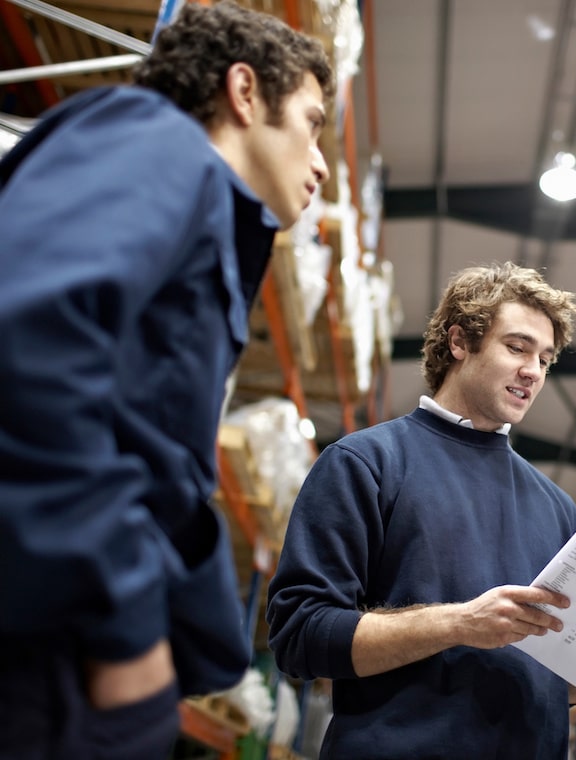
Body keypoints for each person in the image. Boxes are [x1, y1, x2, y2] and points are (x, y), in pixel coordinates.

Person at [0, 3, 334, 757]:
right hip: (56, 643)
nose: (318, 163)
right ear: (244, 93)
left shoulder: (201, 214)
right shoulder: (156, 144)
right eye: (312, 125)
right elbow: (30, 348)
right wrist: (125, 631)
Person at [267, 261, 576, 759]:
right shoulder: (366, 463)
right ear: (459, 342)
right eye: (517, 347)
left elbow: (553, 690)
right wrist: (460, 623)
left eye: (545, 358)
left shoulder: (556, 506)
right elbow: (299, 636)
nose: (533, 371)